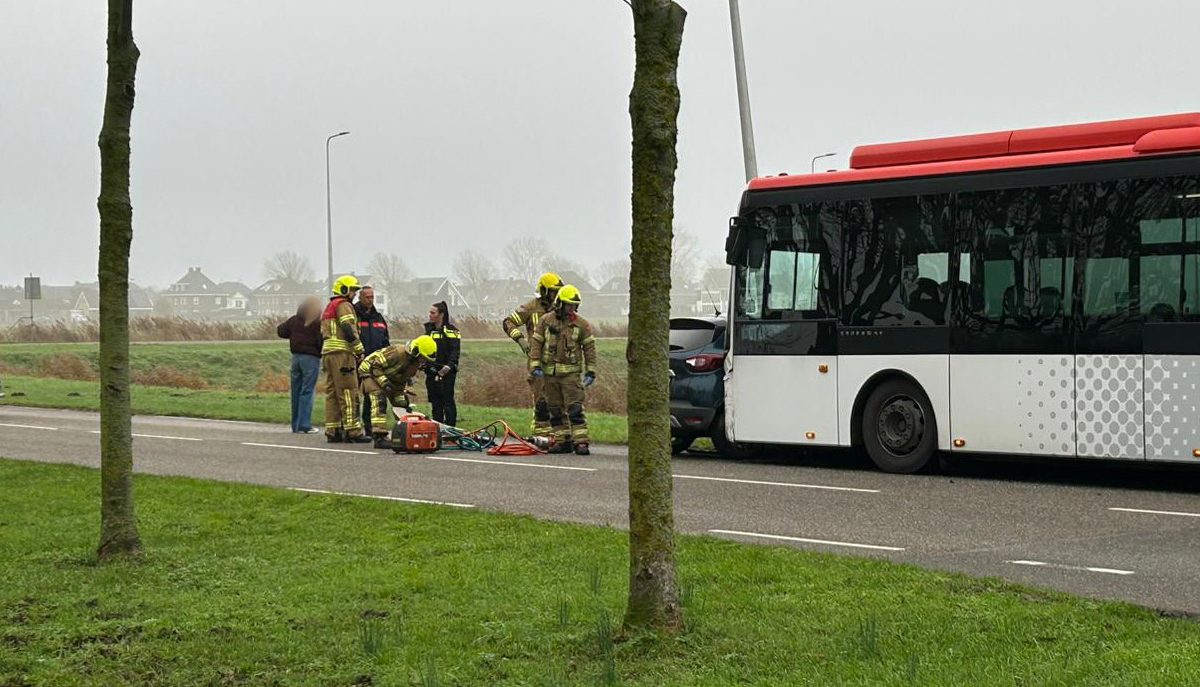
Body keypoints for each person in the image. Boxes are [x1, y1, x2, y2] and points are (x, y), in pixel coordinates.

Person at [529, 285, 597, 455]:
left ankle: (581, 442)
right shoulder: (545, 321)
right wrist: (535, 364)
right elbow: (536, 343)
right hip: (549, 374)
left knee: (575, 409)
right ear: (560, 303)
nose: (571, 309)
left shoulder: (581, 324)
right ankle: (563, 441)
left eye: (574, 306)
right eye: (568, 305)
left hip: (570, 376)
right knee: (555, 410)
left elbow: (589, 348)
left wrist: (590, 371)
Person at [501, 272, 563, 439]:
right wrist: (520, 340)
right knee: (541, 398)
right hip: (538, 362)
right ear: (544, 291)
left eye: (557, 291)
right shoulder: (530, 307)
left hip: (558, 361)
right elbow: (508, 322)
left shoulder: (560, 309)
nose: (555, 295)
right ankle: (541, 434)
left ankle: (558, 433)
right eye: (552, 291)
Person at [359, 336, 438, 448]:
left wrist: (401, 399)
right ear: (415, 351)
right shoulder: (397, 353)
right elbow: (375, 367)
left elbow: (401, 380)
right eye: (422, 358)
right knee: (379, 398)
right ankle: (379, 436)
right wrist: (384, 383)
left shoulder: (413, 363)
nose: (423, 362)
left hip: (390, 376)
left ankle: (405, 431)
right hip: (369, 371)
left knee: (401, 404)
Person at [321, 275, 370, 443]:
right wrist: (359, 349)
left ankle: (333, 430)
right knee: (349, 392)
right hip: (342, 354)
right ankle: (353, 431)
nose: (355, 294)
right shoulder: (344, 305)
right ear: (344, 290)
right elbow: (348, 328)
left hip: (328, 353)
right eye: (353, 290)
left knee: (332, 394)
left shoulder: (330, 306)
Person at [276, 295, 323, 434]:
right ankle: (305, 424)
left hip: (296, 358)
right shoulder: (316, 323)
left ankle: (296, 424)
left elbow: (281, 331)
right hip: (311, 358)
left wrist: (293, 335)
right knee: (307, 391)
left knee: (296, 391)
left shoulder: (294, 320)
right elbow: (321, 341)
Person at [354, 285, 391, 434]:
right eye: (367, 297)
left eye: (372, 297)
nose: (370, 300)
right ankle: (353, 426)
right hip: (357, 361)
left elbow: (385, 340)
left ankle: (369, 426)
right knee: (354, 395)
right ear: (360, 297)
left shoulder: (378, 317)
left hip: (375, 364)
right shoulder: (354, 314)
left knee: (373, 396)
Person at [423, 301, 461, 427]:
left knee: (448, 402)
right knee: (435, 402)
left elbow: (455, 351)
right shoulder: (428, 331)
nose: (430, 315)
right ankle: (437, 429)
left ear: (441, 315)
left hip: (447, 372)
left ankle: (450, 431)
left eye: (433, 313)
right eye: (430, 312)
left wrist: (448, 366)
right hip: (432, 372)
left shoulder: (452, 331)